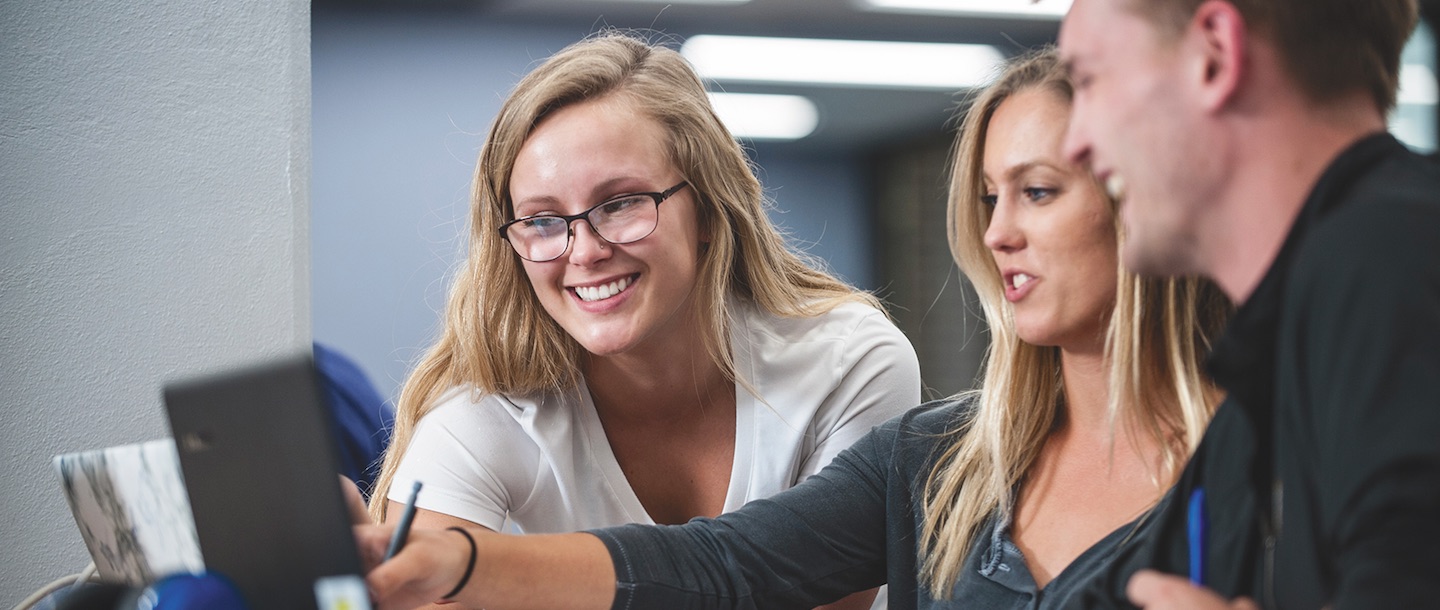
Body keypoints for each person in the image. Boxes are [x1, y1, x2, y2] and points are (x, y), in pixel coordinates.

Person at [350, 47, 1232, 610]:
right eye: (987, 197)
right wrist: (459, 563)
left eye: (1037, 192)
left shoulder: (1278, 464)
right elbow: (726, 568)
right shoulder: (934, 462)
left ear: (1145, 196)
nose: (997, 231)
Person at [365, 32, 921, 610]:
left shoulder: (848, 362)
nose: (584, 251)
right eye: (543, 220)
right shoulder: (483, 419)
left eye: (622, 203)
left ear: (707, 208)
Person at [1057, 0, 1440, 607]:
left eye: (1088, 80)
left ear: (1215, 54)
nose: (1075, 141)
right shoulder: (1259, 407)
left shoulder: (1394, 265)